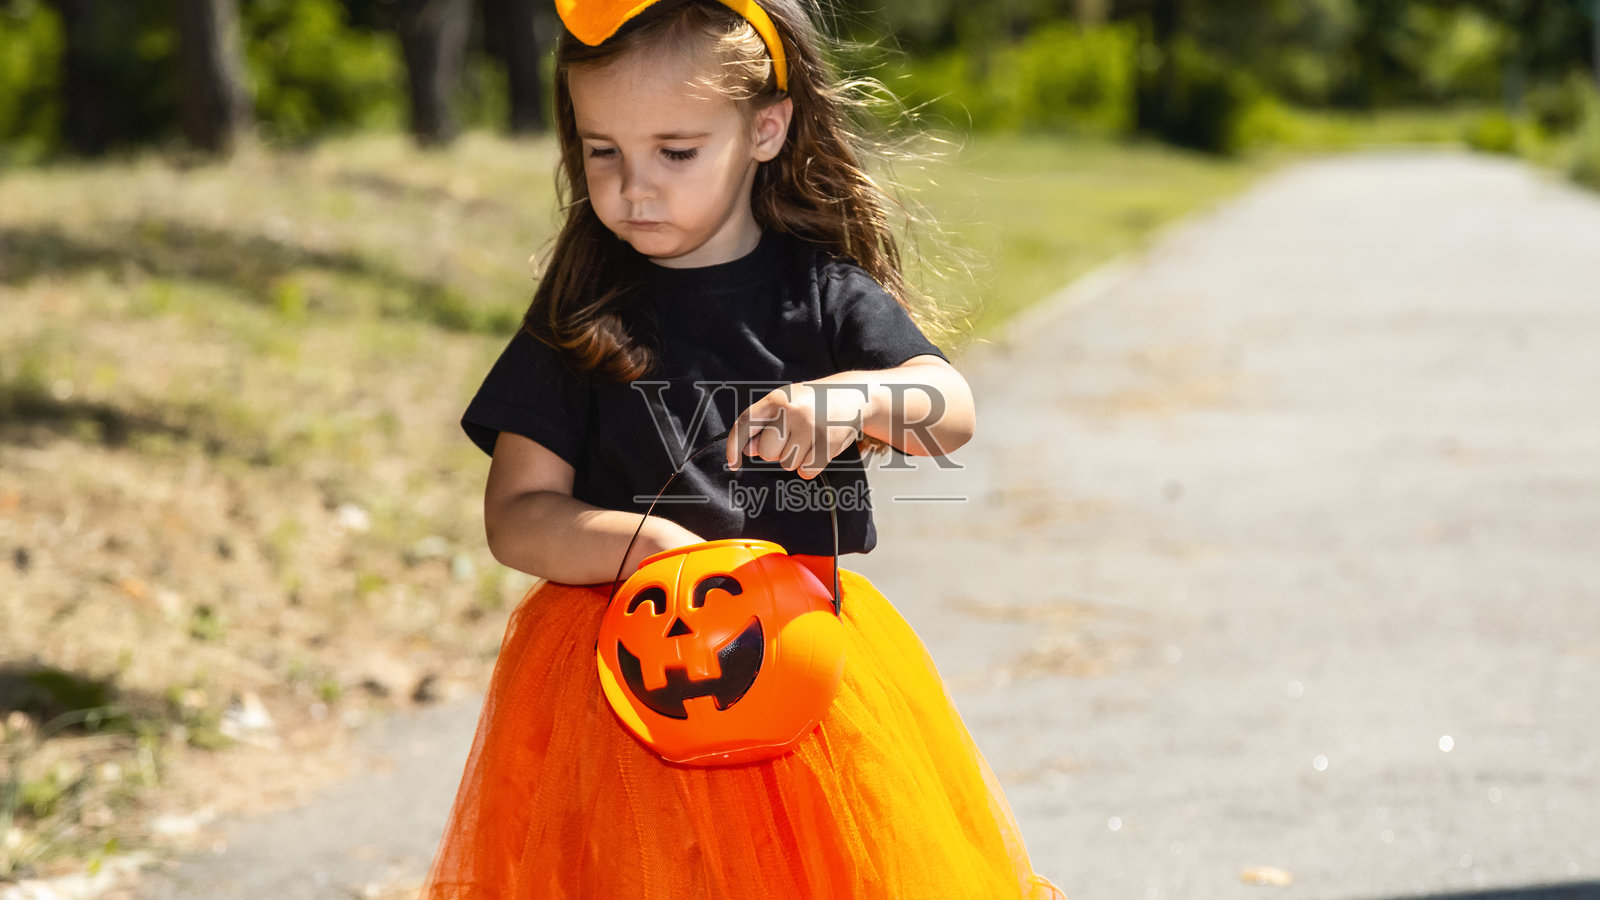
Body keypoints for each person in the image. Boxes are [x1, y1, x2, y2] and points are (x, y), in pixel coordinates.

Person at [420, 0, 1066, 896]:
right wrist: (638, 545)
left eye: (675, 152)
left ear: (765, 129)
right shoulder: (580, 316)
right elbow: (518, 514)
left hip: (799, 664)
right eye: (602, 151)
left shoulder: (821, 295)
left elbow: (949, 410)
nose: (633, 188)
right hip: (623, 680)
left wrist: (857, 396)